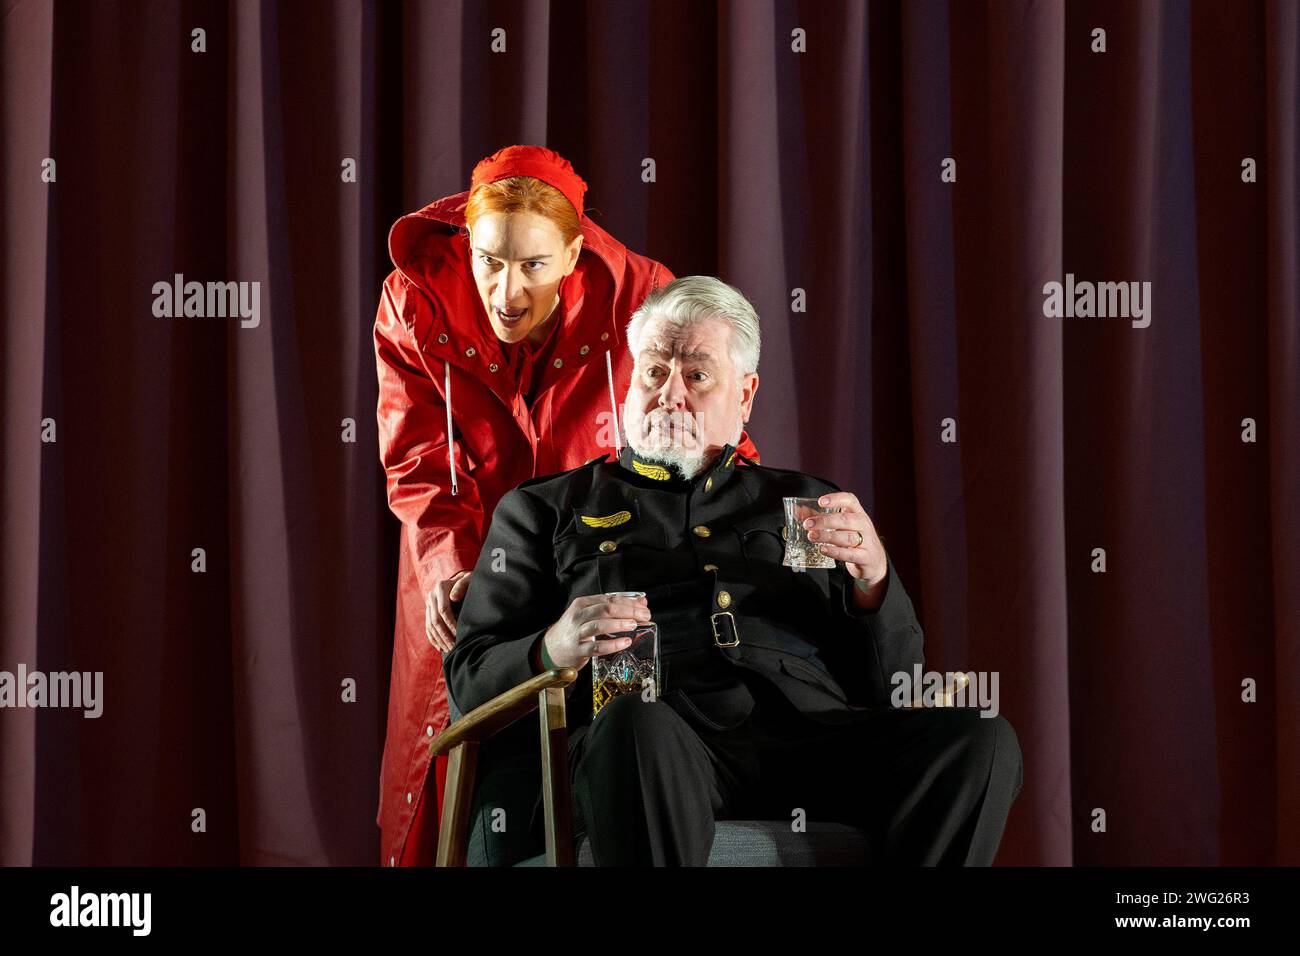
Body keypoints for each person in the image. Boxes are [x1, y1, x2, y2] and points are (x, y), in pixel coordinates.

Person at [445, 276, 1023, 866]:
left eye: (695, 375)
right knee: (635, 720)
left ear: (744, 397)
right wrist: (553, 646)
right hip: (659, 745)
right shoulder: (549, 509)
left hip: (808, 742)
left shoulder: (800, 506)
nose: (669, 394)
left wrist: (873, 583)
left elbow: (891, 683)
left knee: (978, 738)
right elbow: (469, 681)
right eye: (653, 371)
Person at [373, 146, 763, 866]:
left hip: (598, 553)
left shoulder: (645, 293)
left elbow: (707, 426)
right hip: (466, 571)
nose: (506, 292)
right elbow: (417, 463)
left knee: (613, 731)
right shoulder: (414, 300)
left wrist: (752, 526)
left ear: (575, 254)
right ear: (466, 240)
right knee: (458, 778)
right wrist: (450, 570)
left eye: (533, 266)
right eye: (488, 260)